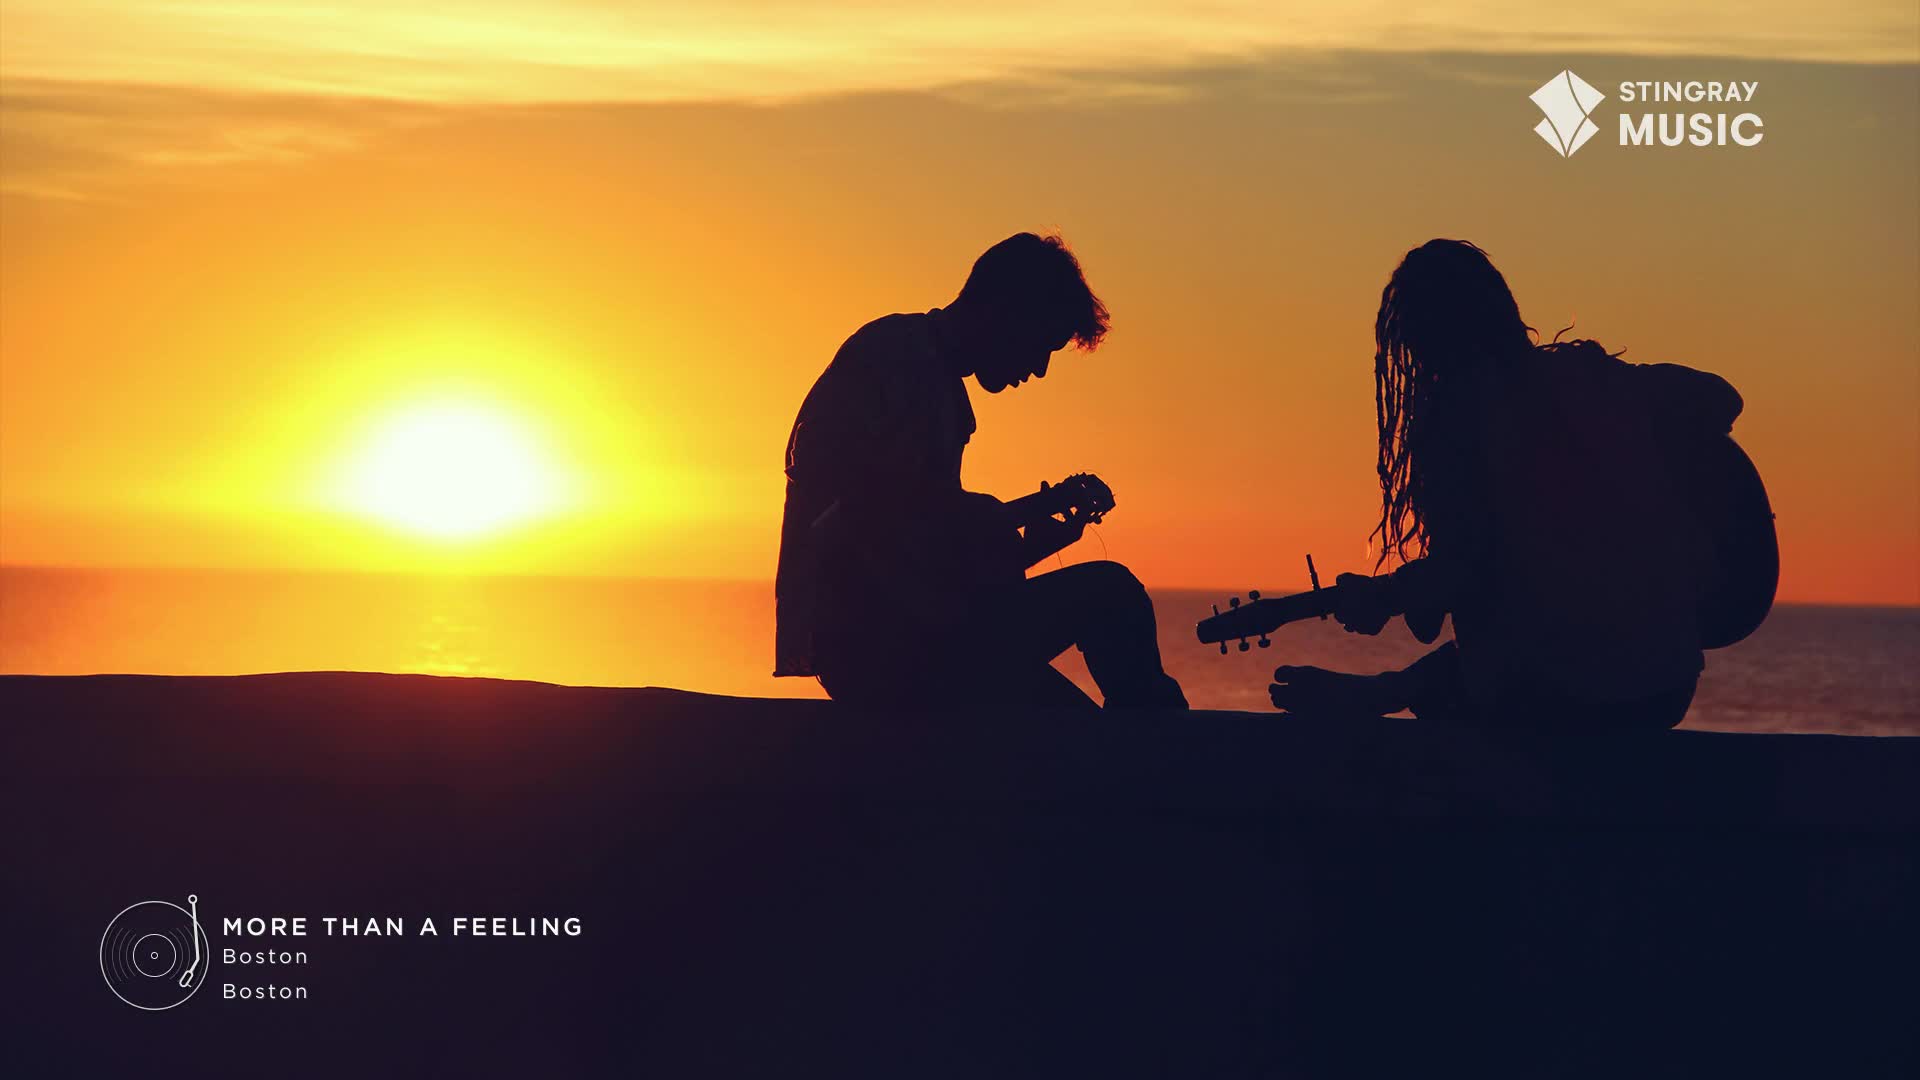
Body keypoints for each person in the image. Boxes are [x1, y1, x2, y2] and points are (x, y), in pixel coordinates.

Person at [1268, 239, 1751, 731]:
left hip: (1558, 696)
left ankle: (1377, 694)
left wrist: (1386, 598)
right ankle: (1384, 689)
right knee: (1475, 658)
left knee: (1464, 678)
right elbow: (1720, 397)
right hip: (1664, 688)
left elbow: (1468, 570)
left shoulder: (1457, 419)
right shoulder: (1593, 377)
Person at [775, 232, 1187, 710]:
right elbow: (852, 519)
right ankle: (1169, 761)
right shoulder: (890, 357)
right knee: (1111, 593)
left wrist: (1021, 548)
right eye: (1041, 345)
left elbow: (928, 551)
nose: (1039, 369)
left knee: (1086, 719)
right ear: (1003, 310)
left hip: (914, 638)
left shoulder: (935, 380)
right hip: (881, 649)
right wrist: (988, 520)